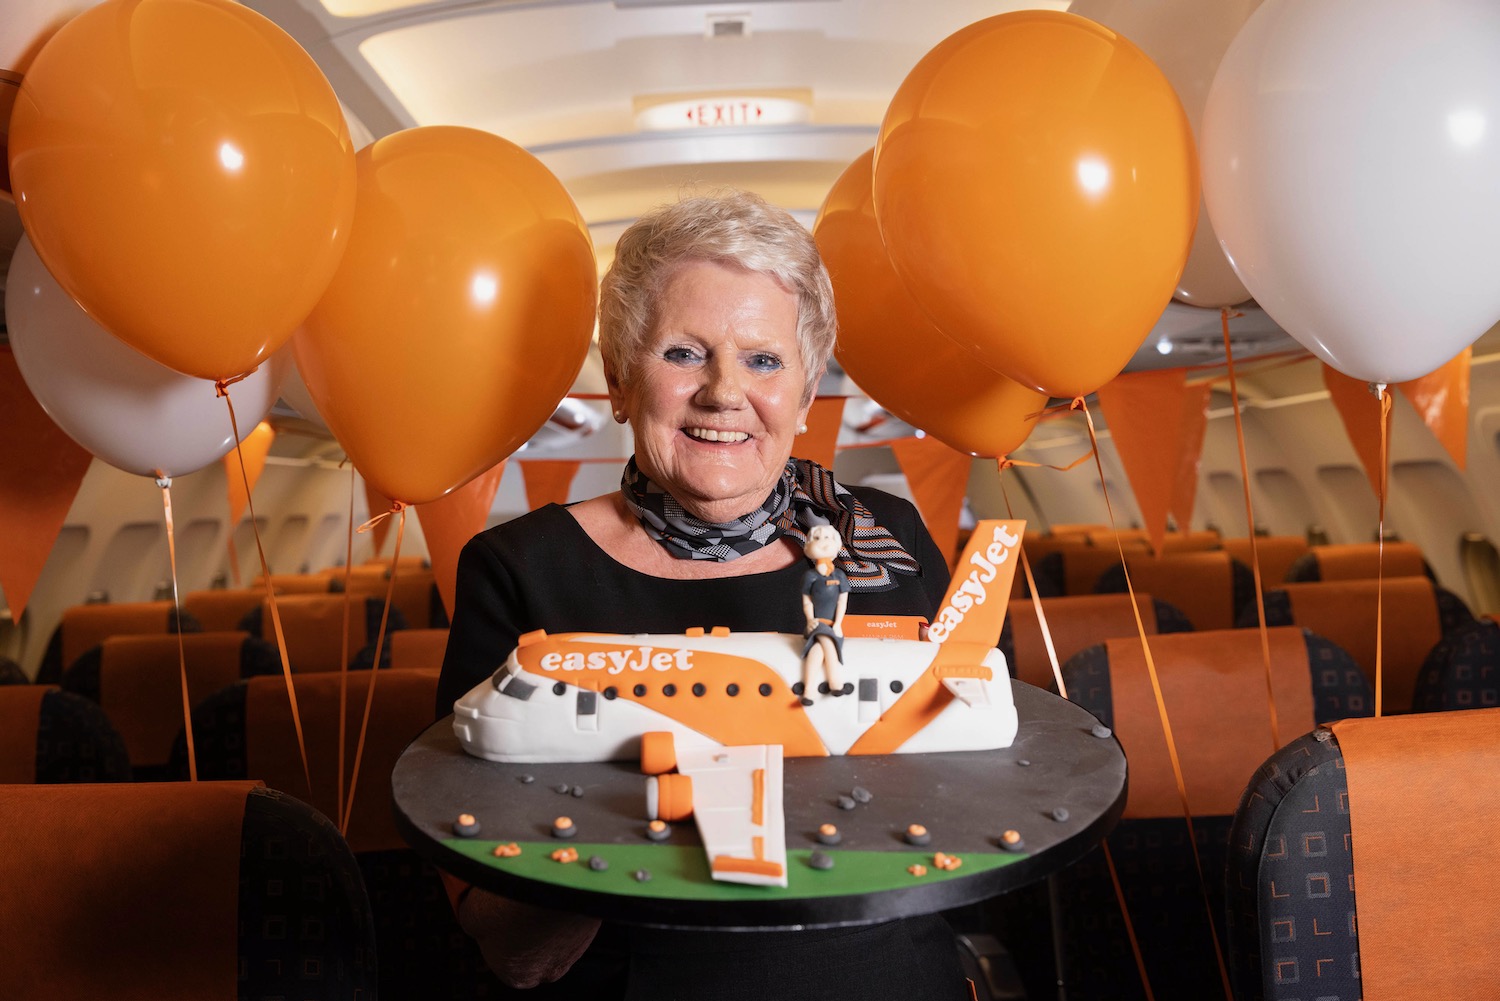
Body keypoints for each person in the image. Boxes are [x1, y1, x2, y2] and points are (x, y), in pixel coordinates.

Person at [437, 189, 968, 1000]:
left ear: (804, 386)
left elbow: (986, 796)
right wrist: (652, 794)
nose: (725, 391)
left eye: (763, 359)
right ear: (619, 379)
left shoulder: (884, 536)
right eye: (684, 353)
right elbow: (515, 951)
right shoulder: (520, 571)